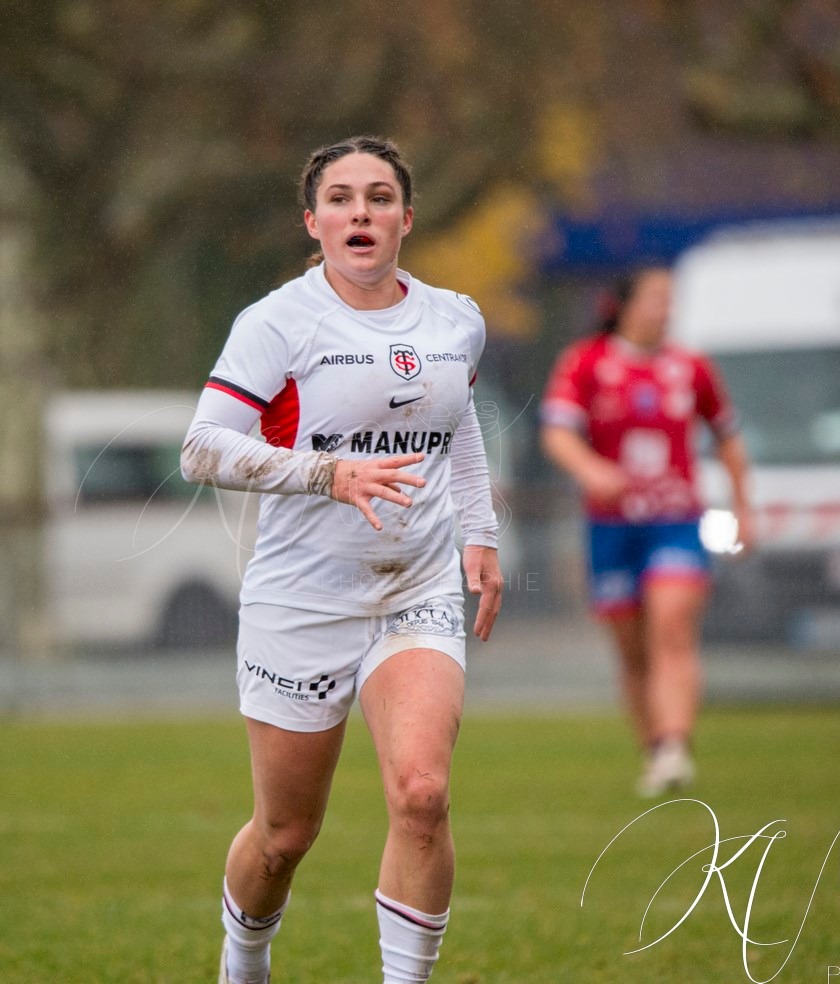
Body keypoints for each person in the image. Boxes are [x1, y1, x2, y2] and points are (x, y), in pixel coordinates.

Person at [180, 135, 503, 984]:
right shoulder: (276, 323)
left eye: (379, 197)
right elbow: (201, 448)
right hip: (301, 601)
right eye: (341, 198)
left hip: (415, 587)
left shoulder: (456, 320)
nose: (361, 212)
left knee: (423, 795)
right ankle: (244, 960)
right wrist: (328, 474)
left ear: (406, 218)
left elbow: (458, 425)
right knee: (285, 836)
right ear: (313, 222)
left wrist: (480, 532)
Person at [539, 267, 752, 797]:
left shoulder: (691, 368)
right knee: (632, 649)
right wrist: (591, 470)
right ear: (626, 305)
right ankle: (657, 751)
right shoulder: (587, 362)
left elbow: (728, 438)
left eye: (670, 299)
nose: (666, 309)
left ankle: (676, 743)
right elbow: (557, 433)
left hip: (675, 522)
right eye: (656, 297)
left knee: (671, 626)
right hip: (611, 527)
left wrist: (744, 508)